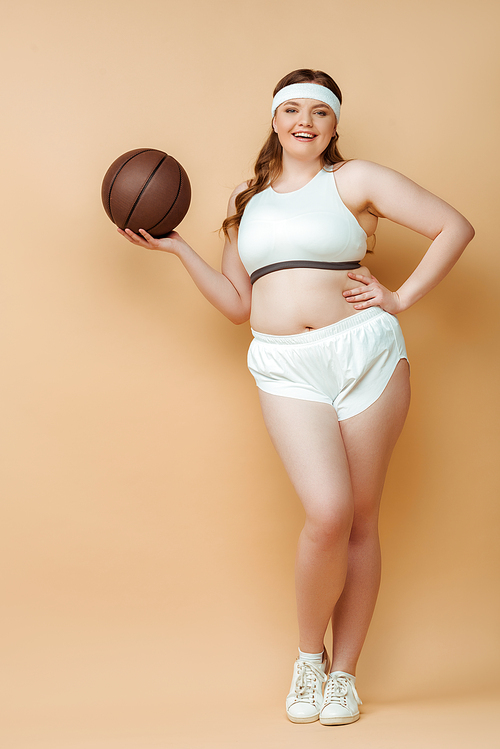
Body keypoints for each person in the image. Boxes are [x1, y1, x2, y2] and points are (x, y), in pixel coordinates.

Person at [118, 68, 474, 725]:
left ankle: (344, 675)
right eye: (291, 109)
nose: (304, 120)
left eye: (320, 111)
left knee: (362, 518)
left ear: (335, 126)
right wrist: (178, 250)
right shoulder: (245, 199)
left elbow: (454, 227)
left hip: (365, 351)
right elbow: (236, 304)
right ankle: (308, 658)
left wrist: (400, 298)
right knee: (328, 510)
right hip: (285, 364)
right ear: (275, 121)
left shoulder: (354, 180)